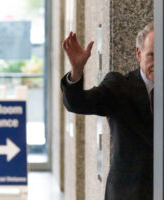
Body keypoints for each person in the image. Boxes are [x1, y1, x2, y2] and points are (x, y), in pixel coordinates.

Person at [61, 23, 154, 200]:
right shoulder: (119, 87)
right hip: (128, 193)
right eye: (152, 55)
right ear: (139, 54)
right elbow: (77, 103)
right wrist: (76, 71)